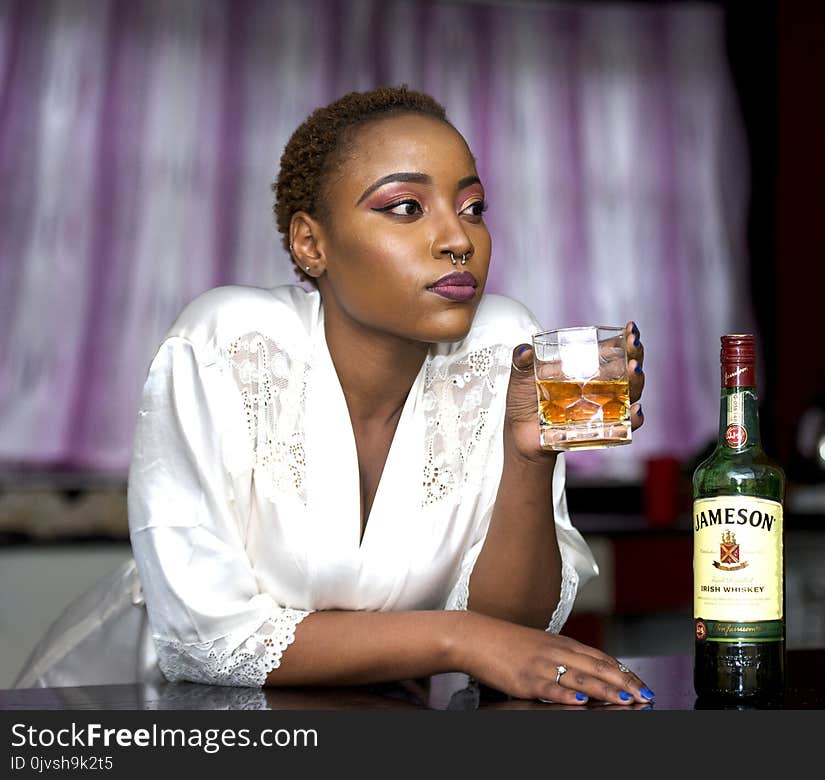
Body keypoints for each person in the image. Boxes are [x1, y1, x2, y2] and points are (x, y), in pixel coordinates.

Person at [18, 86, 651, 707]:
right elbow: (208, 641)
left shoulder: (505, 347)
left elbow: (511, 630)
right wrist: (457, 640)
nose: (458, 239)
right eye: (405, 207)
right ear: (310, 243)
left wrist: (530, 460)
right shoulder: (228, 344)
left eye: (473, 207)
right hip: (133, 713)